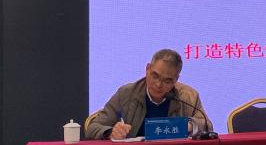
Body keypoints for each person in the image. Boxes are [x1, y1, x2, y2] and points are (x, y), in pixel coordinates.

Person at [84, 49, 212, 139]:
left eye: (167, 81)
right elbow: (93, 127)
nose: (158, 84)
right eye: (155, 76)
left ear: (176, 80)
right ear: (147, 69)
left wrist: (189, 126)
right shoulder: (127, 93)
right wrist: (110, 132)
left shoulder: (188, 96)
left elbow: (207, 125)